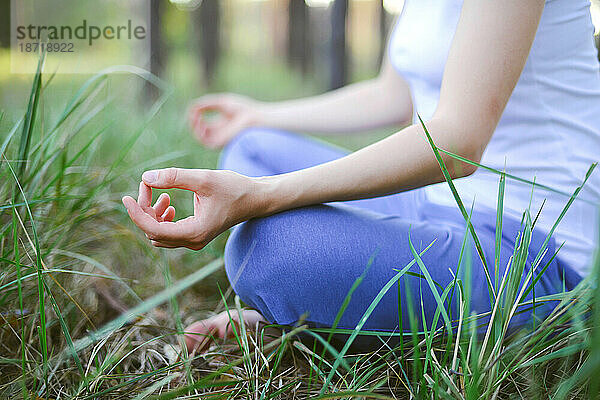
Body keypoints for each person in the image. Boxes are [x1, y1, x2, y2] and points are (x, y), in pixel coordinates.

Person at [122, 0, 600, 353]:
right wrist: (260, 114)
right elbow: (390, 96)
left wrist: (264, 196)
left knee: (267, 249)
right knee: (253, 146)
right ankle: (308, 310)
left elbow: (456, 144)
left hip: (531, 253)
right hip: (438, 205)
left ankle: (297, 313)